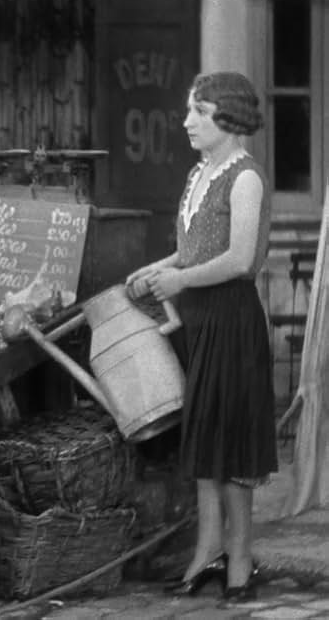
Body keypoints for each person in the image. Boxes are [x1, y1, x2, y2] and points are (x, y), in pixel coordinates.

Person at [126, 71, 277, 603]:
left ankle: (240, 561)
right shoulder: (200, 174)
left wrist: (180, 279)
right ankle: (206, 553)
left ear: (229, 120)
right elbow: (192, 251)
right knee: (207, 439)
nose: (187, 121)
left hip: (232, 322)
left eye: (199, 112)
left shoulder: (245, 179)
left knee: (233, 447)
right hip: (200, 324)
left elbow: (238, 260)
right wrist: (157, 268)